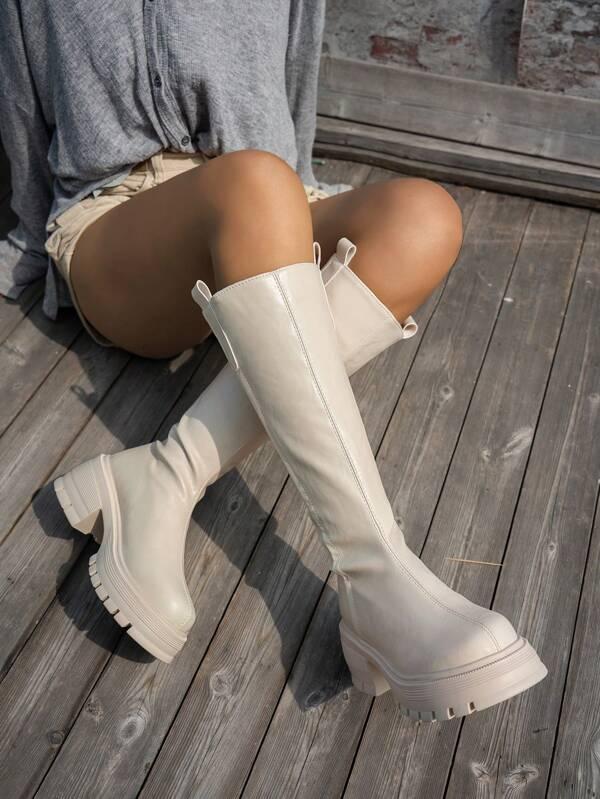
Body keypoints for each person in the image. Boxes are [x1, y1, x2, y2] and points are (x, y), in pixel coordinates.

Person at [1, 1, 546, 721]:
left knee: (423, 216)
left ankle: (166, 472)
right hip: (118, 223)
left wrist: (292, 202)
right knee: (254, 181)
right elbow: (19, 88)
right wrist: (29, 250)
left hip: (264, 204)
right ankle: (375, 577)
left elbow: (295, 70)